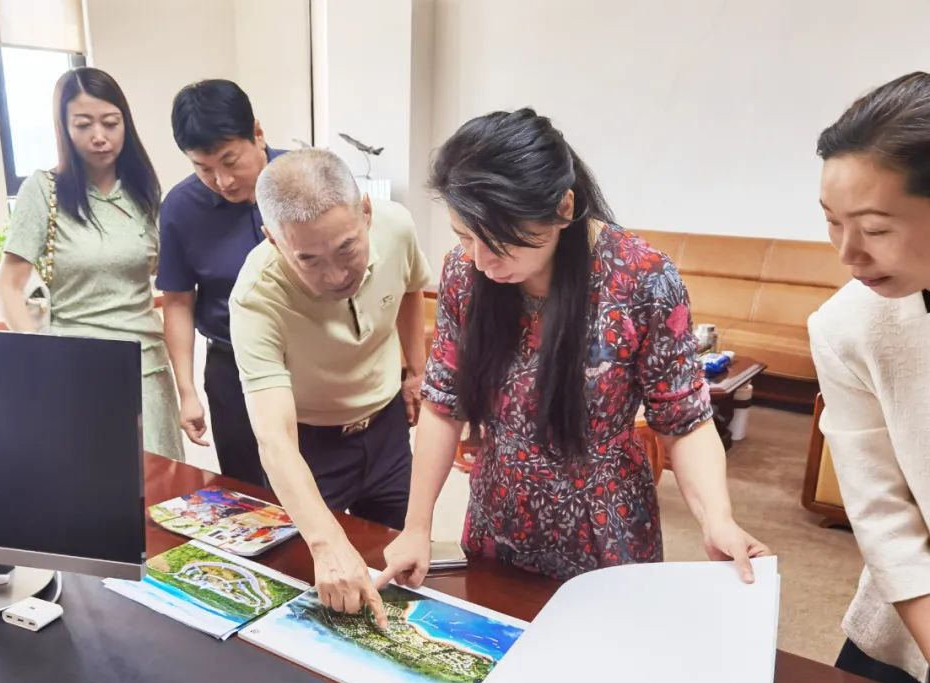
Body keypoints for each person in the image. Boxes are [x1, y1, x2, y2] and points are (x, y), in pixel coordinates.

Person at [376, 109, 770, 591]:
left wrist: (717, 520)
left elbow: (683, 420)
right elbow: (443, 403)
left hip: (607, 525)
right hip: (499, 516)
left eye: (500, 242)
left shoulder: (642, 279)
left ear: (563, 208)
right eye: (465, 236)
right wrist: (417, 526)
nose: (480, 261)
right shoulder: (465, 273)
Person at [230, 148, 430, 626]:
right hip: (311, 448)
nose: (337, 275)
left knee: (399, 571)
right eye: (309, 260)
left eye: (347, 249)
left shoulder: (396, 226)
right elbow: (275, 440)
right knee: (315, 588)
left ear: (366, 212)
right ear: (274, 241)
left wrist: (416, 371)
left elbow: (410, 288)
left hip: (386, 429)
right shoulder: (255, 298)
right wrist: (326, 543)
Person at [809, 72, 930, 683]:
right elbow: (882, 511)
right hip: (911, 623)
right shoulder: (848, 326)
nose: (848, 253)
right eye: (833, 222)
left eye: (876, 229)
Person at [0, 67, 184, 461]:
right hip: (75, 370)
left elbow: (162, 276)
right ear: (64, 128)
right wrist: (37, 354)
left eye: (110, 123)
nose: (99, 136)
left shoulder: (143, 192)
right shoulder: (43, 190)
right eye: (83, 125)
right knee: (90, 481)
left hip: (147, 368)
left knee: (160, 484)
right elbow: (9, 285)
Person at [157, 80, 285, 484]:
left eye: (230, 161)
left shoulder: (305, 179)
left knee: (322, 484)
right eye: (204, 168)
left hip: (309, 360)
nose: (223, 181)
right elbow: (178, 301)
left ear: (257, 133)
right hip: (233, 368)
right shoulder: (181, 208)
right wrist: (187, 390)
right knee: (249, 490)